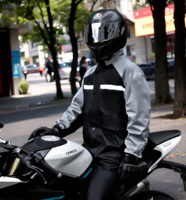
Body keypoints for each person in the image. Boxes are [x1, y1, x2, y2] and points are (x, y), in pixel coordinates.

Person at [29, 9, 151, 200]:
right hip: (87, 152)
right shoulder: (90, 74)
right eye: (94, 33)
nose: (97, 39)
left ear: (117, 34)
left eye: (104, 33)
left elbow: (139, 117)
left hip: (113, 156)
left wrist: (131, 155)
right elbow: (77, 109)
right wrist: (55, 130)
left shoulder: (130, 72)